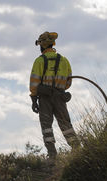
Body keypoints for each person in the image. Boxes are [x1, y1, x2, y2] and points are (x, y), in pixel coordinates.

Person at [29, 31, 78, 161]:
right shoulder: (64, 60)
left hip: (45, 99)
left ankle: (52, 155)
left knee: (46, 127)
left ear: (43, 45)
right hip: (60, 97)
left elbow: (34, 83)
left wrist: (34, 100)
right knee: (66, 125)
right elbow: (68, 82)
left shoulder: (39, 61)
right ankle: (77, 149)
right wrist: (60, 90)